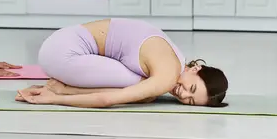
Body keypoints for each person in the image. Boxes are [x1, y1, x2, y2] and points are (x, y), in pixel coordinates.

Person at [16, 18, 228, 107]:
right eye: (192, 88)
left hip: (59, 43)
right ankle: (62, 89)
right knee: (143, 91)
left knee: (146, 94)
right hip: (62, 54)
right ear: (196, 68)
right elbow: (107, 100)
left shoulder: (176, 55)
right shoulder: (167, 75)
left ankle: (63, 86)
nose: (183, 94)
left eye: (190, 101)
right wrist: (54, 99)